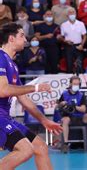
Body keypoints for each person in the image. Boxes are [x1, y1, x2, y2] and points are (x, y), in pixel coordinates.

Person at [0, 22, 62, 169]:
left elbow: (23, 98)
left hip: (5, 117)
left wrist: (44, 120)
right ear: (11, 39)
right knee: (25, 150)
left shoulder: (13, 65)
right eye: (22, 35)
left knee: (40, 147)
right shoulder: (1, 58)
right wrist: (35, 87)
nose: (26, 40)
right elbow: (3, 90)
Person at [57, 76, 87, 153]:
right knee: (65, 120)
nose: (76, 86)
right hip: (69, 117)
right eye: (75, 84)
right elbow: (58, 106)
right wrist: (62, 104)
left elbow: (84, 109)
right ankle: (65, 144)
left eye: (78, 84)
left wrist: (74, 106)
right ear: (70, 84)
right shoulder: (64, 94)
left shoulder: (81, 95)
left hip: (80, 117)